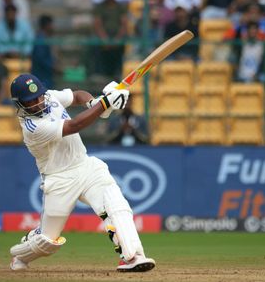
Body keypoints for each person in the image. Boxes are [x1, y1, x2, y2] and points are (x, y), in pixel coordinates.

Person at [8, 74, 155, 272]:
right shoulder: (31, 128)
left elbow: (77, 96)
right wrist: (104, 104)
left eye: (39, 96)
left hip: (85, 166)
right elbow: (74, 125)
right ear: (20, 104)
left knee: (116, 204)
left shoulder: (49, 96)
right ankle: (20, 255)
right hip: (59, 179)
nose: (38, 102)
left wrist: (93, 102)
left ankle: (133, 256)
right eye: (30, 101)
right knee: (48, 242)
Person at [31, 15, 57, 88]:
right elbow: (41, 58)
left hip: (46, 77)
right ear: (47, 25)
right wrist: (54, 67)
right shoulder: (41, 40)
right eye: (51, 24)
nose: (53, 27)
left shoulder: (44, 38)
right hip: (42, 77)